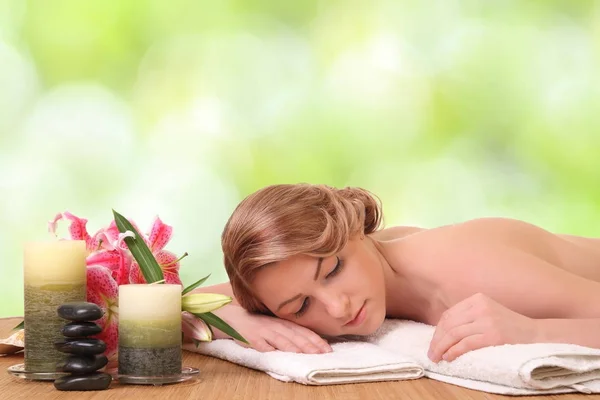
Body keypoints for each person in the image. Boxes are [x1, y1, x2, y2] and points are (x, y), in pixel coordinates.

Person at [195, 183, 600, 363]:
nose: (337, 307)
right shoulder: (288, 275)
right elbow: (169, 300)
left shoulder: (472, 268)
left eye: (334, 270)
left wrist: (531, 334)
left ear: (357, 224)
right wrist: (235, 317)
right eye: (301, 307)